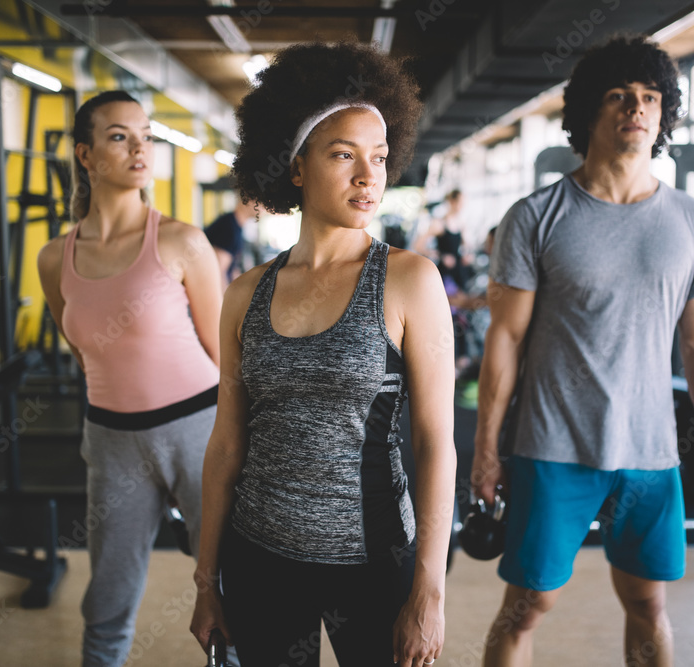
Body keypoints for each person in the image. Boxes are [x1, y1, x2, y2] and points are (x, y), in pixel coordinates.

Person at [471, 35, 694, 667]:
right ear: (589, 112)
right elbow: (505, 337)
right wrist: (487, 450)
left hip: (649, 453)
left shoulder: (691, 221)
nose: (637, 108)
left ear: (665, 114)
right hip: (551, 448)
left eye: (651, 97)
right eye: (620, 96)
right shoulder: (536, 216)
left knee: (649, 606)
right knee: (527, 607)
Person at [189, 41, 457, 667]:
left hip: (373, 562)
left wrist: (430, 590)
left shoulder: (409, 281)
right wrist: (207, 581)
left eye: (381, 158)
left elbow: (436, 443)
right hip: (259, 561)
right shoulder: (245, 295)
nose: (370, 177)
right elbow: (227, 442)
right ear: (297, 167)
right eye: (344, 155)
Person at [36, 90, 225, 667]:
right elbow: (83, 346)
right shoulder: (54, 258)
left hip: (198, 430)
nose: (140, 147)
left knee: (225, 590)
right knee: (109, 598)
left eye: (147, 135)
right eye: (120, 135)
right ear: (85, 156)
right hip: (112, 441)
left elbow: (227, 358)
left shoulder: (182, 241)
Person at [205, 196, 261, 291]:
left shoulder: (236, 226)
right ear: (250, 200)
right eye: (262, 203)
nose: (265, 209)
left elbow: (231, 269)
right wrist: (227, 302)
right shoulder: (229, 227)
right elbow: (218, 271)